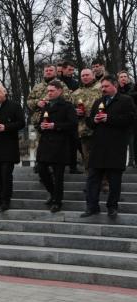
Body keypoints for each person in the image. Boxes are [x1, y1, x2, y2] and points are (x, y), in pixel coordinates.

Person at [81, 75, 136, 218]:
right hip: (98, 146)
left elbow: (130, 120)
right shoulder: (98, 101)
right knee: (93, 179)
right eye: (102, 87)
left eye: (106, 86)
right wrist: (93, 120)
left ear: (115, 86)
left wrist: (109, 118)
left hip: (116, 147)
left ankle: (112, 207)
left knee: (114, 181)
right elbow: (90, 123)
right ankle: (92, 207)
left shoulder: (126, 100)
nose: (103, 89)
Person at [36, 80, 77, 213]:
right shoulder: (46, 107)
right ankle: (53, 193)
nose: (49, 93)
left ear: (60, 91)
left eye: (52, 91)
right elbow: (40, 124)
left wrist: (55, 126)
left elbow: (72, 124)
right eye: (48, 91)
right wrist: (41, 127)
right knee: (41, 170)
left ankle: (57, 201)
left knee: (58, 176)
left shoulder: (67, 106)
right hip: (45, 145)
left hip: (60, 145)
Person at [0, 84, 25, 211]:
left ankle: (6, 201)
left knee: (6, 175)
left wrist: (5, 127)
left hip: (9, 147)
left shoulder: (15, 106)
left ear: (5, 92)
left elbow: (21, 123)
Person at [27, 64, 70, 173]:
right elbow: (29, 101)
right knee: (38, 145)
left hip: (55, 121)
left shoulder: (61, 85)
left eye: (51, 70)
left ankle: (52, 168)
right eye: (46, 70)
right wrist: (38, 103)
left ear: (55, 72)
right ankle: (40, 165)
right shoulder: (37, 86)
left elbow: (68, 99)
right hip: (38, 121)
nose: (48, 72)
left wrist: (52, 101)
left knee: (53, 147)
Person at [71, 69, 102, 170]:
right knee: (88, 159)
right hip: (84, 130)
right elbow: (70, 111)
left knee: (102, 157)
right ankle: (91, 183)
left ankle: (104, 184)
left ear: (93, 75)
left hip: (101, 128)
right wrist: (75, 112)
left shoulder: (102, 88)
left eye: (87, 75)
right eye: (83, 75)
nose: (85, 77)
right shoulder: (76, 93)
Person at [117, 70, 137, 167]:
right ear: (118, 79)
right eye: (121, 77)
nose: (123, 78)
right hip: (118, 119)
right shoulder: (115, 89)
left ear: (128, 78)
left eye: (125, 76)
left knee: (131, 141)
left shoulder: (133, 88)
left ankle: (131, 162)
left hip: (131, 120)